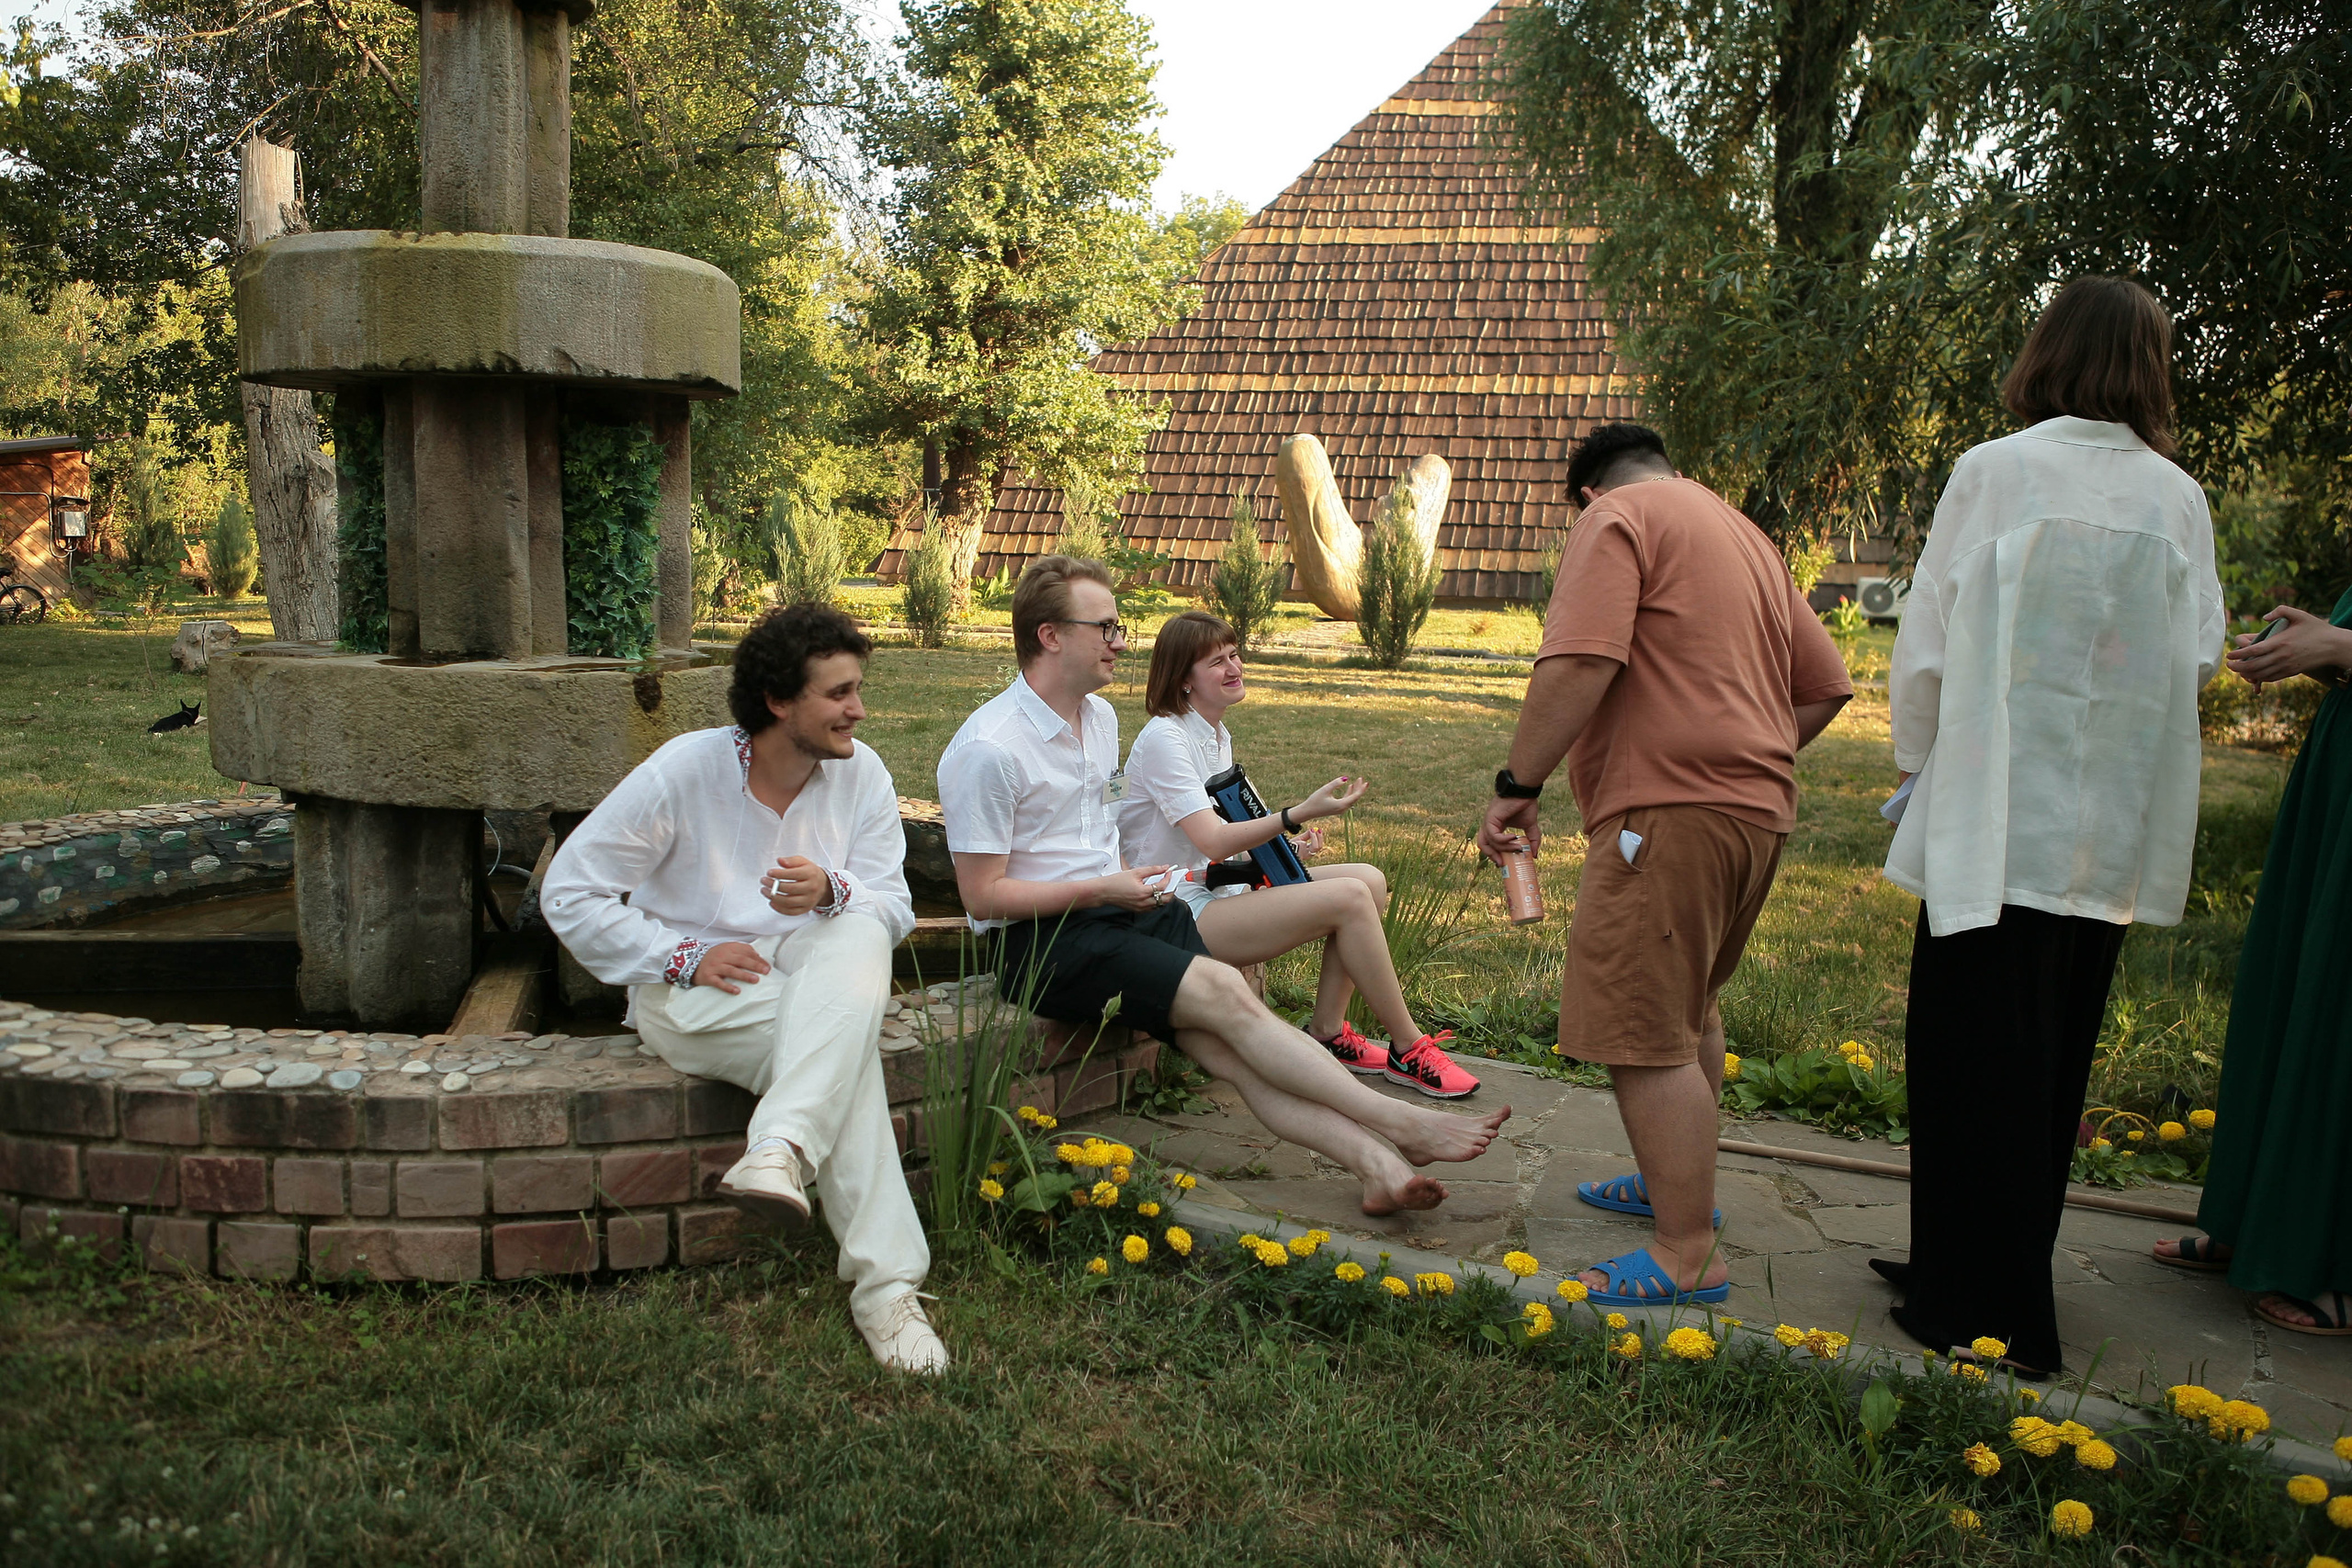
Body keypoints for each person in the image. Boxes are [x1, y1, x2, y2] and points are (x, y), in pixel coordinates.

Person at [1874, 276, 2224, 1378]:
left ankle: (1988, 1306)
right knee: (2048, 1056)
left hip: (1993, 806)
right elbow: (2200, 652)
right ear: (2149, 367)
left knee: (1964, 1050)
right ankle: (1965, 1265)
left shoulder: (1994, 471)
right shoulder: (2177, 498)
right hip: (2104, 826)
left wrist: (1916, 761)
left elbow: (1925, 638)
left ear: (2046, 351)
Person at [937, 556, 1510, 1217]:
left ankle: (1377, 1167)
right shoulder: (989, 747)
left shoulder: (1097, 720)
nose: (1121, 641)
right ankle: (1404, 1125)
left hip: (1121, 912)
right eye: (1107, 627)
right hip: (1040, 943)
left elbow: (1104, 833)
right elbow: (982, 897)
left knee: (1234, 1046)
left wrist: (1128, 884)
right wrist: (1104, 887)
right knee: (1223, 990)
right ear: (1050, 635)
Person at [1477, 423, 1853, 1308]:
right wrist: (1745, 755)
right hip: (1756, 813)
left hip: (1669, 812)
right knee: (1691, 1010)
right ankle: (1669, 1186)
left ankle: (1685, 1251)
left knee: (1638, 1022)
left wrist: (1516, 784)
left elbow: (1580, 658)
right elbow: (1826, 682)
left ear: (1585, 493)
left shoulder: (1618, 519)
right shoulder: (1744, 533)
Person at [542, 602, 944, 1374]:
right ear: (777, 701)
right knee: (845, 1053)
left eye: (856, 689)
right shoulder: (684, 771)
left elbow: (893, 908)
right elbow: (570, 892)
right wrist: (685, 952)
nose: (856, 710)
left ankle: (780, 1147)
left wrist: (831, 888)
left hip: (819, 975)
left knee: (856, 928)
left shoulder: (862, 774)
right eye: (837, 693)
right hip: (691, 996)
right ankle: (887, 1294)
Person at [1119, 608, 1479, 1096]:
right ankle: (1409, 1047)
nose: (1234, 668)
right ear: (1183, 679)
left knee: (1369, 881)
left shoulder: (1213, 735)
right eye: (1216, 662)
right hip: (1173, 911)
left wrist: (1287, 848)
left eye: (1235, 654)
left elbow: (1229, 837)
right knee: (1349, 898)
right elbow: (1212, 841)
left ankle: (1329, 1034)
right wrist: (1297, 813)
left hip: (1213, 889)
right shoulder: (1167, 737)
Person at [2151, 591, 2352, 1335]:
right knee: (2295, 986)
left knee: (2341, 1009)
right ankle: (2260, 1223)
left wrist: (2339, 649)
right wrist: (2315, 640)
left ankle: (2331, 1263)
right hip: (2339, 768)